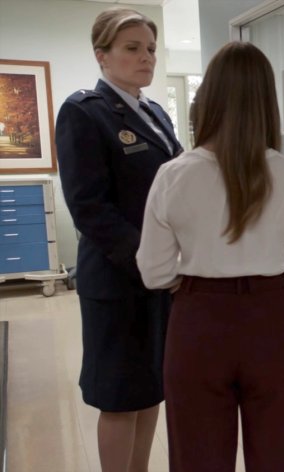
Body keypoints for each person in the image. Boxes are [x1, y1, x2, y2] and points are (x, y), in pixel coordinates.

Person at [136, 42, 284, 471]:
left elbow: (153, 272)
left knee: (197, 455)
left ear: (208, 98)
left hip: (198, 322)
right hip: (274, 322)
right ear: (267, 102)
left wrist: (199, 279)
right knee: (282, 453)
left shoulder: (173, 175)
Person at [54, 9, 182, 472]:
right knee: (118, 396)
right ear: (101, 55)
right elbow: (89, 207)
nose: (146, 57)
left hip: (160, 277)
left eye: (150, 48)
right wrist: (150, 261)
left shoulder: (154, 113)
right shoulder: (83, 112)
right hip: (117, 278)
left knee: (151, 389)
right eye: (132, 48)